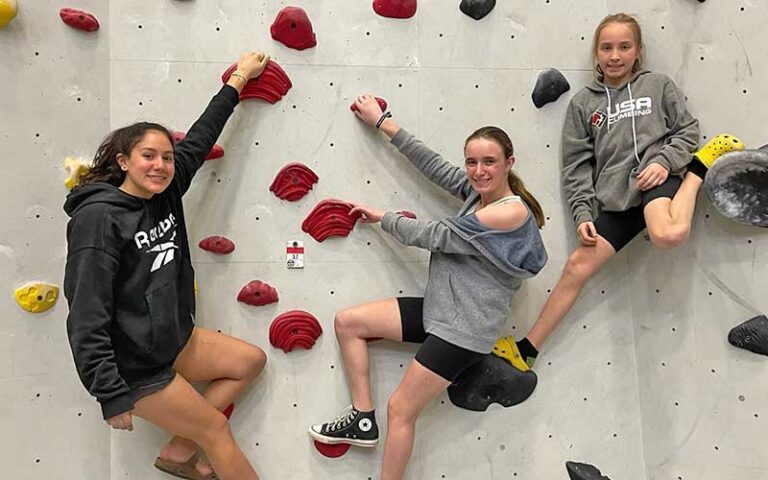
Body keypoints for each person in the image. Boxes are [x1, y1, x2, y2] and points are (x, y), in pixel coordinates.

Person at [308, 94, 548, 480]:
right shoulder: (478, 195)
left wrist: (383, 217)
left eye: (489, 162)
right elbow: (434, 166)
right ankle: (362, 418)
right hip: (443, 309)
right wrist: (384, 122)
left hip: (464, 329)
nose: (478, 171)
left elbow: (437, 235)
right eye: (472, 162)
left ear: (509, 164)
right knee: (349, 322)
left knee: (401, 410)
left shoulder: (509, 211)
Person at [63, 51, 271, 480]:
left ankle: (178, 452)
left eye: (166, 157)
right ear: (123, 161)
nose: (160, 165)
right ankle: (190, 446)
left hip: (168, 341)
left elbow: (199, 137)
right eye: (147, 156)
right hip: (131, 367)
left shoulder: (165, 192)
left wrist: (238, 80)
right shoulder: (98, 219)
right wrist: (110, 393)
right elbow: (85, 312)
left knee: (249, 361)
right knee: (216, 431)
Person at [512, 13, 744, 370]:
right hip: (618, 200)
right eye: (607, 47)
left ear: (638, 51)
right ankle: (527, 348)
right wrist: (583, 214)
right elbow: (575, 167)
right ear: (596, 53)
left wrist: (667, 162)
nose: (615, 55)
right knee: (577, 264)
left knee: (667, 234)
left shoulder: (658, 85)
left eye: (624, 47)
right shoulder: (583, 104)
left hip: (657, 180)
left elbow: (686, 129)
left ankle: (698, 169)